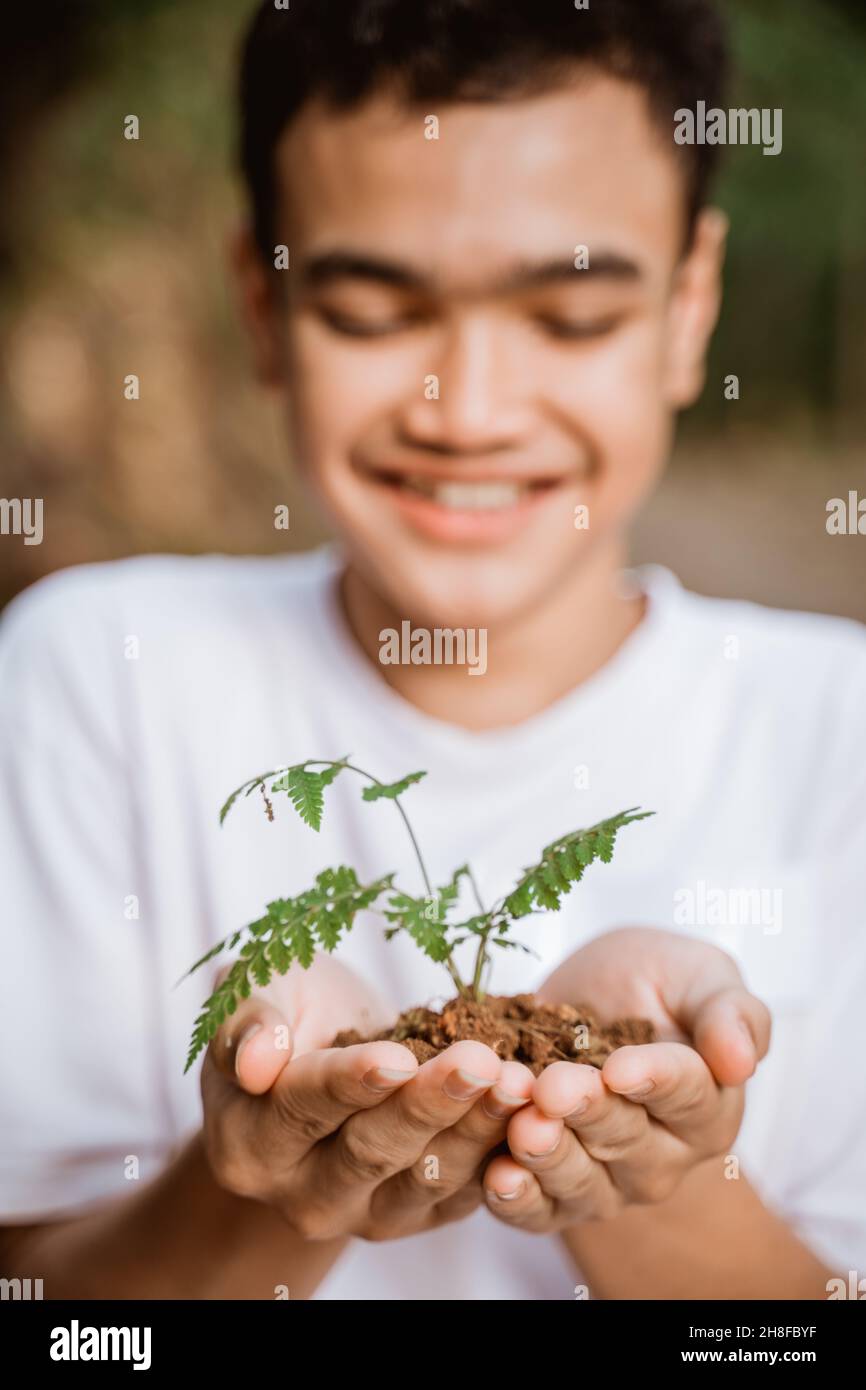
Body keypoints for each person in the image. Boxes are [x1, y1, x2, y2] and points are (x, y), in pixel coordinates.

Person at [1, 0, 864, 1302]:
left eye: (570, 317)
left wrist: (641, 1173)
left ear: (689, 311)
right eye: (368, 314)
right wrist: (266, 1182)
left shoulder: (835, 733)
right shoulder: (94, 677)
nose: (465, 411)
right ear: (263, 304)